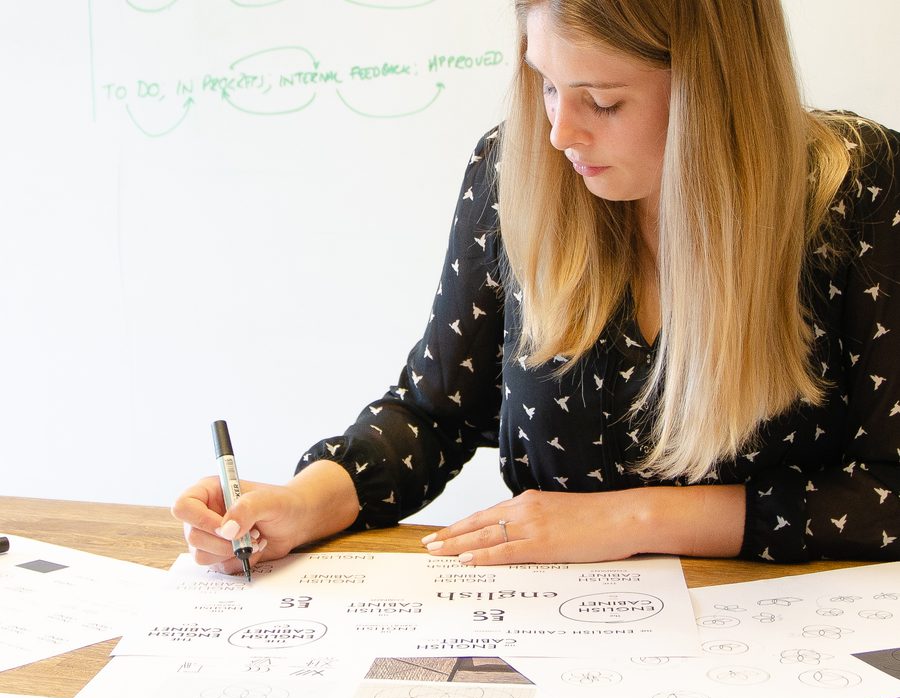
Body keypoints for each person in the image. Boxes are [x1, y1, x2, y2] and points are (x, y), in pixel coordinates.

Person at [173, 0, 899, 574]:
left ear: (717, 93)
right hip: (558, 646)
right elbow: (433, 414)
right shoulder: (514, 170)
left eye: (602, 101)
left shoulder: (855, 186)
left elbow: (887, 493)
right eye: (546, 85)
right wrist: (303, 504)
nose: (559, 133)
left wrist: (630, 521)